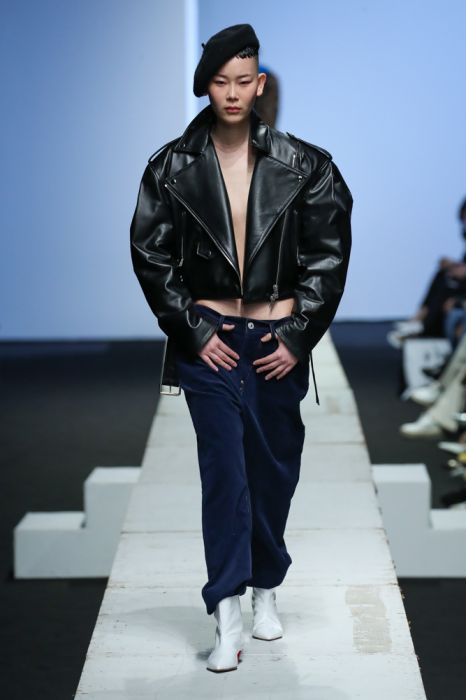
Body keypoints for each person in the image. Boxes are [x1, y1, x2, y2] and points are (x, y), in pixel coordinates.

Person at [130, 23, 353, 673]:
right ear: (206, 86)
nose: (232, 93)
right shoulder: (170, 167)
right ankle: (225, 608)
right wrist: (193, 331)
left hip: (275, 343)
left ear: (259, 85)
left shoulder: (307, 165)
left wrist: (297, 336)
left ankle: (265, 587)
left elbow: (328, 259)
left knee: (273, 472)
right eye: (220, 82)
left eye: (243, 81)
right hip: (211, 343)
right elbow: (150, 255)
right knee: (224, 473)